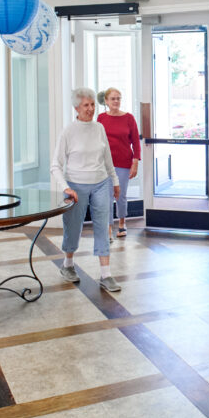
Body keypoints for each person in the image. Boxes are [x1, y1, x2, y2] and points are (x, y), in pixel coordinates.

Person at [50, 87, 122, 292]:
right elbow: (55, 165)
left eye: (92, 105)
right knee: (73, 228)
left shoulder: (99, 128)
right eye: (86, 105)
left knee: (103, 227)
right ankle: (68, 265)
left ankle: (106, 275)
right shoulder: (68, 131)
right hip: (75, 186)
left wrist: (115, 181)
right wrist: (66, 188)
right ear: (76, 108)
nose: (90, 109)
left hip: (101, 183)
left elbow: (107, 159)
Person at [97, 87, 141, 239]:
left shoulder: (129, 118)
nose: (116, 101)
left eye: (118, 98)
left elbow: (136, 142)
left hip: (123, 163)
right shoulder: (101, 118)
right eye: (113, 98)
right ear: (107, 101)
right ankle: (109, 227)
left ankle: (122, 223)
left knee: (120, 195)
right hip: (105, 164)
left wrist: (135, 162)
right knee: (107, 196)